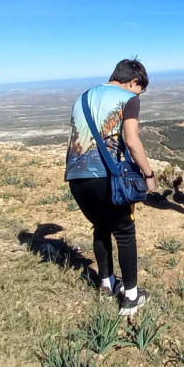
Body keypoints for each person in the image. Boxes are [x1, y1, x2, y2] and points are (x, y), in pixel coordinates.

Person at [64, 59, 157, 317]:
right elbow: (132, 140)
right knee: (125, 232)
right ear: (133, 82)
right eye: (140, 89)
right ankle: (130, 297)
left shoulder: (82, 97)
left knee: (101, 226)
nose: (139, 96)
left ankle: (106, 283)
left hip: (75, 175)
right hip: (106, 177)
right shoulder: (128, 98)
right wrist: (148, 174)